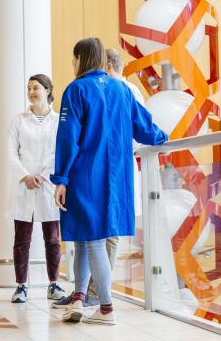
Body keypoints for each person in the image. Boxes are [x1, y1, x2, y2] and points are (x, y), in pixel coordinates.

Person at [51, 38, 167, 325]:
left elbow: (68, 138)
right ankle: (79, 297)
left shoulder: (76, 89)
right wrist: (163, 138)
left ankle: (106, 309)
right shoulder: (122, 90)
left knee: (92, 240)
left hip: (86, 175)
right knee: (84, 237)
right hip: (117, 177)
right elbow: (145, 128)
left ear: (80, 59)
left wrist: (61, 179)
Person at [7, 74, 65, 303]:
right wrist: (25, 176)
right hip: (24, 186)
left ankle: (54, 284)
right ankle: (21, 286)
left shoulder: (58, 120)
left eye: (36, 88)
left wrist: (41, 176)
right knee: (22, 239)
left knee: (52, 238)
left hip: (48, 184)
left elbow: (59, 152)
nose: (32, 92)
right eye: (29, 88)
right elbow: (10, 152)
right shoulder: (19, 120)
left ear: (48, 90)